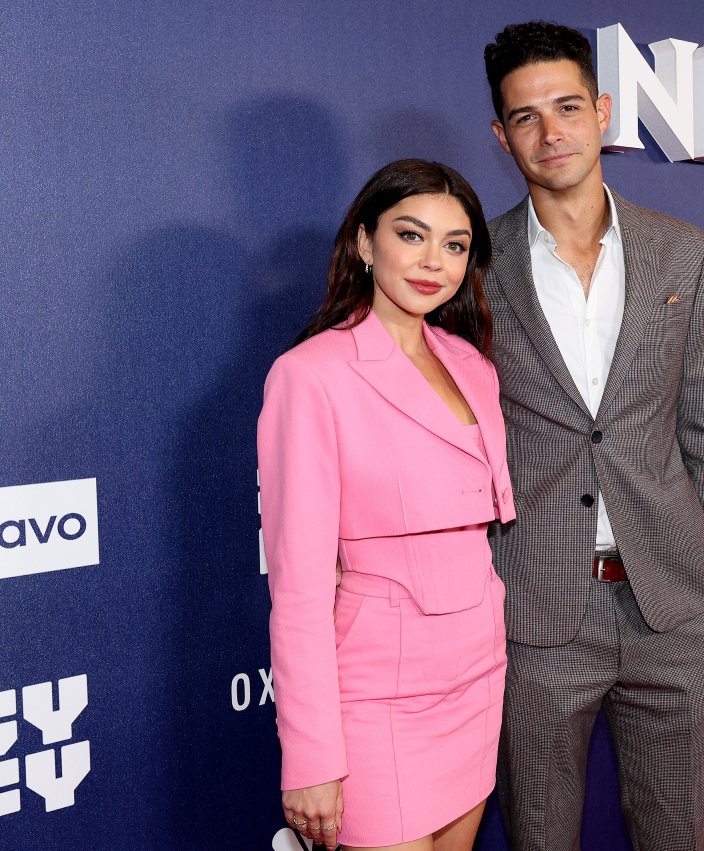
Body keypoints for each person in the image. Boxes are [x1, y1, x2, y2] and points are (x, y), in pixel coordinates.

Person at [482, 22, 704, 851]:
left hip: (672, 602)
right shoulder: (473, 265)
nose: (549, 131)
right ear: (501, 136)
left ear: (601, 112)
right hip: (538, 606)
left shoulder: (682, 253)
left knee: (677, 835)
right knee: (540, 835)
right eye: (525, 117)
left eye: (566, 107)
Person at [257, 159, 514, 851]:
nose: (434, 261)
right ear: (366, 243)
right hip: (375, 698)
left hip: (476, 676)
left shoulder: (474, 366)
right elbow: (300, 588)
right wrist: (312, 755)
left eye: (455, 245)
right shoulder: (310, 376)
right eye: (412, 235)